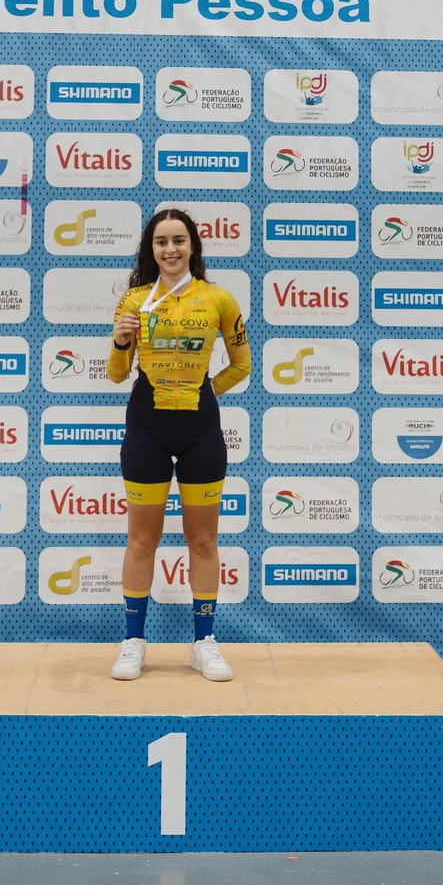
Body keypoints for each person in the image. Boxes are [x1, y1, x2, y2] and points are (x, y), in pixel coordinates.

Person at [105, 208, 251, 682]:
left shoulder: (219, 299)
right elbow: (114, 373)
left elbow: (241, 365)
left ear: (193, 247)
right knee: (142, 539)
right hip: (146, 428)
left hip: (200, 433)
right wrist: (121, 343)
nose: (171, 249)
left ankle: (203, 643)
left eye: (179, 241)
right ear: (151, 249)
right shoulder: (134, 299)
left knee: (203, 540)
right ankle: (133, 641)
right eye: (161, 242)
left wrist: (200, 393)